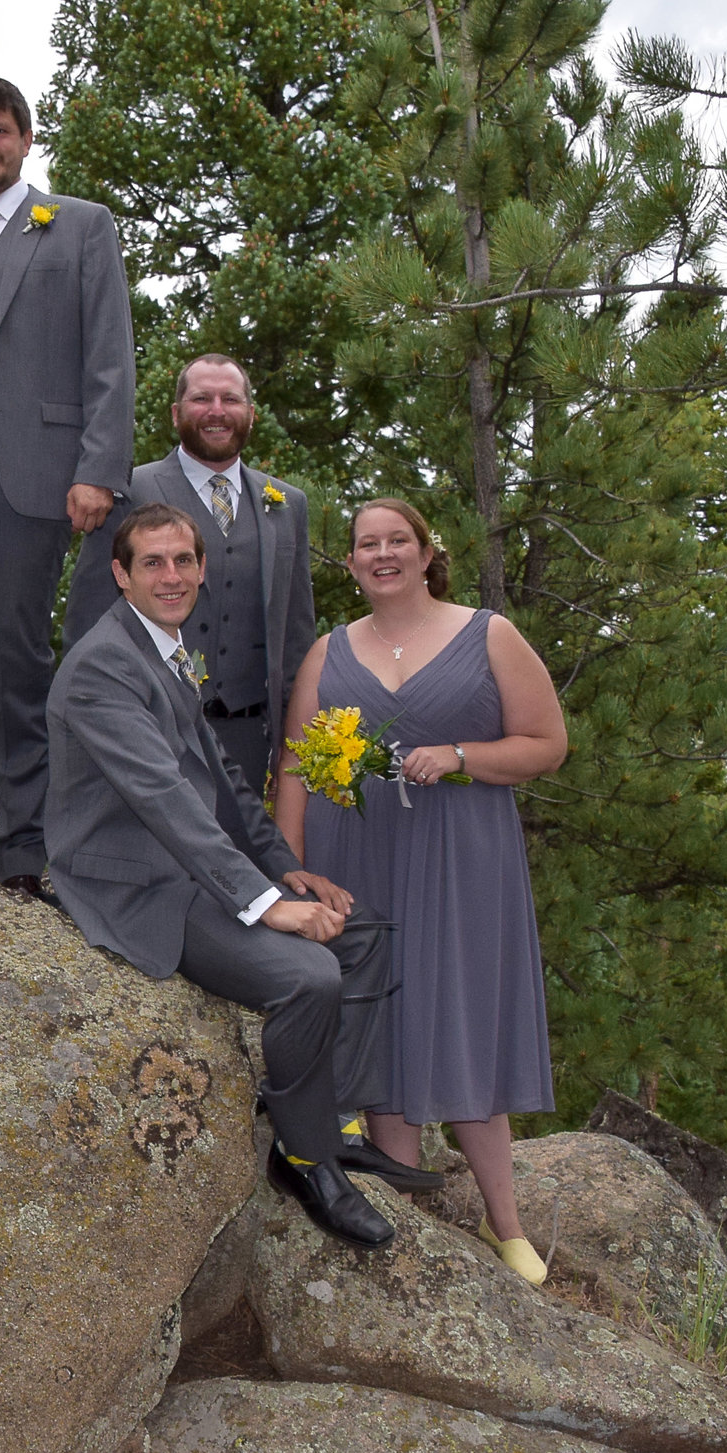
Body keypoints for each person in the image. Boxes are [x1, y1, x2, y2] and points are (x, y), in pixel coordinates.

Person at [45, 507, 442, 1252]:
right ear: (120, 574)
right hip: (140, 882)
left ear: (201, 569)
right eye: (153, 563)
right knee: (309, 979)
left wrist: (283, 869)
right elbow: (164, 796)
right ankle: (309, 1160)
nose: (172, 577)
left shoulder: (166, 646)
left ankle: (321, 1116)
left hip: (199, 866)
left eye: (183, 562)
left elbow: (221, 779)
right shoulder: (104, 664)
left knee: (369, 937)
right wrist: (266, 907)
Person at [273, 498, 569, 1283]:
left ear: (426, 551)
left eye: (397, 540)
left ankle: (505, 1223)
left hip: (463, 857)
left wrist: (463, 755)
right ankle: (397, 1211)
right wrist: (294, 870)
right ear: (350, 563)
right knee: (380, 1021)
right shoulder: (327, 652)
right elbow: (297, 766)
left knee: (464, 1018)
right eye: (366, 544)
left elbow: (547, 744)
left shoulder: (488, 635)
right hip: (356, 856)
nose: (382, 554)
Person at [0, 75, 136, 895]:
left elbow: (110, 354)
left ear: (25, 138)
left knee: (12, 654)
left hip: (33, 478)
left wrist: (99, 469)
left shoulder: (78, 225)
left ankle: (23, 843)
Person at [78, 354, 313, 792]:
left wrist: (293, 745)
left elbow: (296, 632)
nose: (217, 411)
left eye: (231, 399)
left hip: (249, 739)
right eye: (202, 398)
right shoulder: (129, 491)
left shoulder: (287, 504)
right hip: (149, 733)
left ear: (251, 414)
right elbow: (88, 615)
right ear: (176, 413)